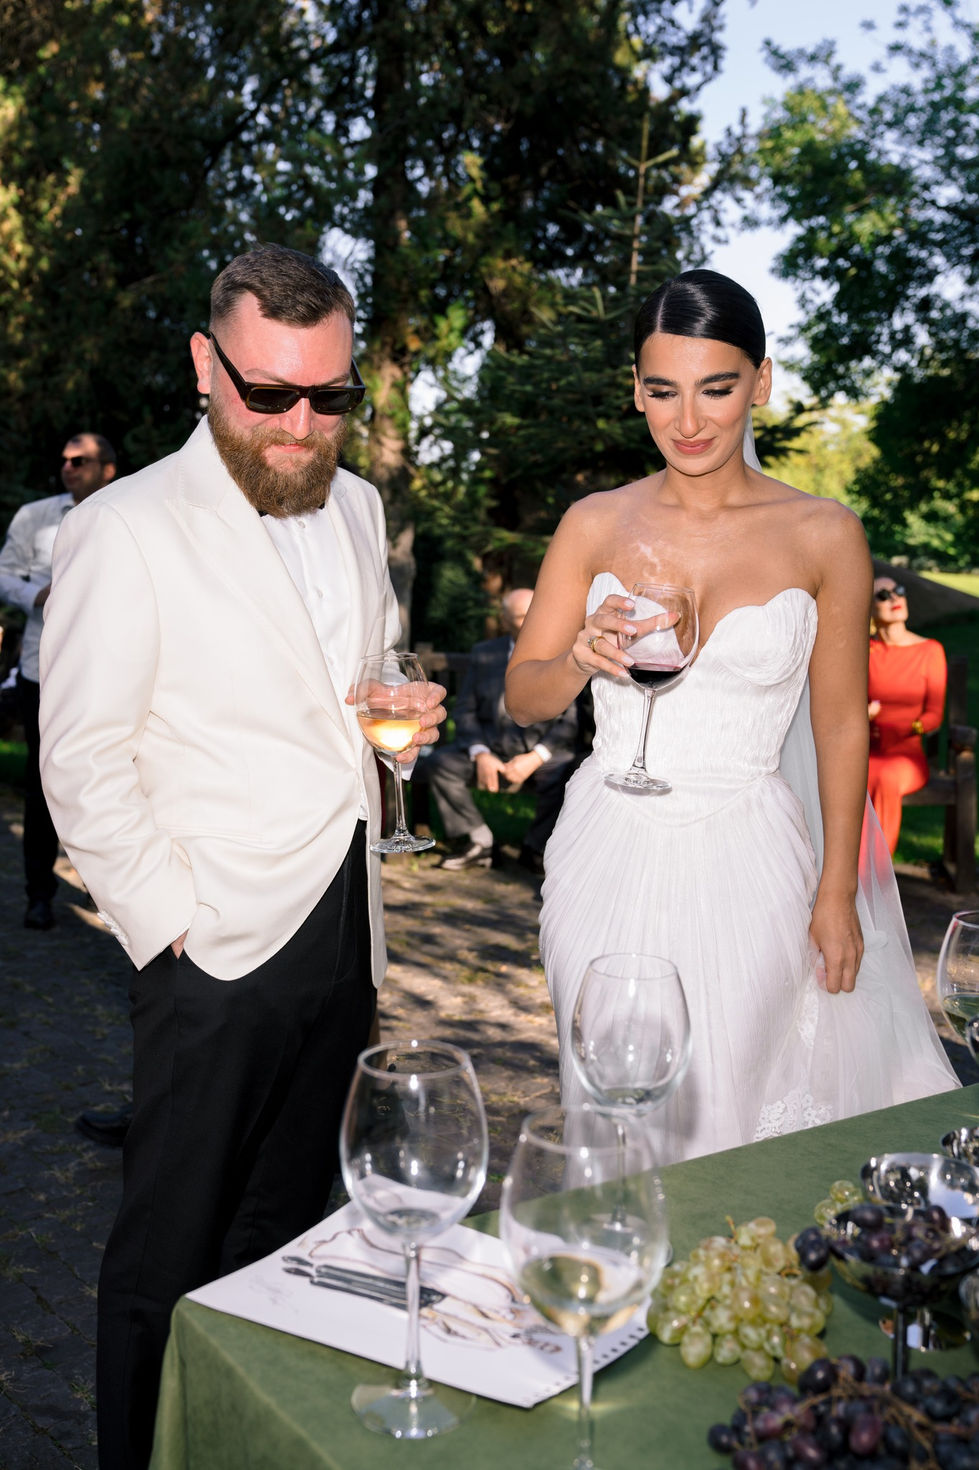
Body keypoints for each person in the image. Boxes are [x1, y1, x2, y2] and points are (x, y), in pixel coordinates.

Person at [38, 245, 445, 1470]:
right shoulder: (121, 527)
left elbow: (359, 685)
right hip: (210, 943)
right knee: (166, 1258)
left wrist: (401, 717)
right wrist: (174, 927)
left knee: (288, 1240)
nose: (301, 425)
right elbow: (81, 760)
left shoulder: (359, 506)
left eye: (330, 396)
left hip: (346, 926)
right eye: (269, 394)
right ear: (205, 366)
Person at [506, 268, 959, 1165]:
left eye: (714, 389)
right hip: (604, 848)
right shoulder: (592, 524)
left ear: (758, 381)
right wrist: (577, 658)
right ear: (635, 390)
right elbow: (524, 699)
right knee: (613, 1114)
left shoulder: (822, 532)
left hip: (751, 853)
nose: (688, 420)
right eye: (662, 390)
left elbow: (840, 725)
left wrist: (836, 892)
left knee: (724, 1112)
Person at [0, 433, 117, 929]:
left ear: (107, 469)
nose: (69, 467)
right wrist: (38, 594)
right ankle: (39, 894)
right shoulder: (34, 516)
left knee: (113, 779)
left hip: (112, 669)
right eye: (65, 460)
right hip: (42, 669)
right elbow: (3, 574)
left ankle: (110, 891)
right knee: (43, 783)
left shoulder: (129, 512)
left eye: (80, 460)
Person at [424, 587, 583, 873]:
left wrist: (535, 757)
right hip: (492, 750)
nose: (531, 621)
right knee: (440, 763)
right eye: (522, 616)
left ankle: (537, 848)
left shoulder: (563, 653)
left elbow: (570, 720)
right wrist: (481, 754)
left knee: (571, 772)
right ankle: (480, 842)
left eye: (535, 613)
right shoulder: (485, 654)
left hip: (541, 754)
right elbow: (465, 710)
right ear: (505, 620)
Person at [867, 575, 947, 854]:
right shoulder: (864, 652)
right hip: (867, 751)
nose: (894, 598)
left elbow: (934, 715)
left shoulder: (930, 651)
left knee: (885, 777)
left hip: (907, 756)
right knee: (848, 777)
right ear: (869, 608)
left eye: (898, 591)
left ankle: (876, 869)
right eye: (883, 595)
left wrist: (903, 729)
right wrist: (863, 716)